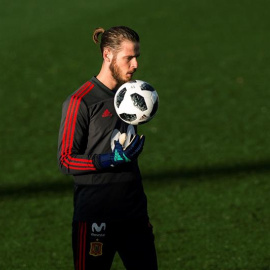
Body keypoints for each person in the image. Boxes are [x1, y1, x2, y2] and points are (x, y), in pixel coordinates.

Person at [57, 26, 158, 270]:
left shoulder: (135, 95)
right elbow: (66, 160)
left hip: (133, 213)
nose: (135, 65)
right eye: (129, 58)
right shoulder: (80, 101)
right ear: (107, 55)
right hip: (95, 216)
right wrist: (107, 160)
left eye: (137, 57)